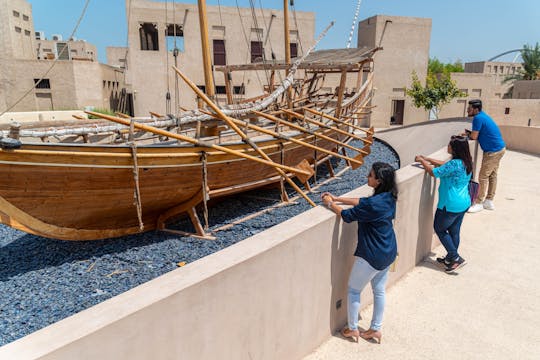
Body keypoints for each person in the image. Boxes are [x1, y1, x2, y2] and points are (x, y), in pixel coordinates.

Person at [321, 162, 398, 344]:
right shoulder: (389, 196)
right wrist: (338, 198)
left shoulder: (373, 204)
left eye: (370, 175)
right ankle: (375, 330)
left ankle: (352, 329)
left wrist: (330, 203)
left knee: (354, 290)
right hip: (389, 251)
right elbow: (363, 202)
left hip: (372, 255)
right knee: (379, 291)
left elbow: (347, 216)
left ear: (378, 181)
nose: (367, 177)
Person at [415, 135, 473, 272]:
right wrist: (429, 159)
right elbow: (445, 166)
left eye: (450, 145)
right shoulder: (466, 161)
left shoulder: (454, 164)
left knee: (439, 228)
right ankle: (450, 258)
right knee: (454, 231)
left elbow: (433, 173)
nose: (448, 146)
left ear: (455, 149)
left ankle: (455, 257)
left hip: (450, 204)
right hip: (463, 202)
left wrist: (422, 161)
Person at [465, 99, 506, 213]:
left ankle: (479, 202)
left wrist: (468, 134)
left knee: (483, 176)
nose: (468, 110)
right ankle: (489, 201)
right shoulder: (483, 116)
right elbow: (476, 134)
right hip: (499, 148)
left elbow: (473, 137)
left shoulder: (478, 118)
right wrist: (470, 133)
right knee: (492, 175)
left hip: (492, 151)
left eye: (470, 108)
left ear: (476, 109)